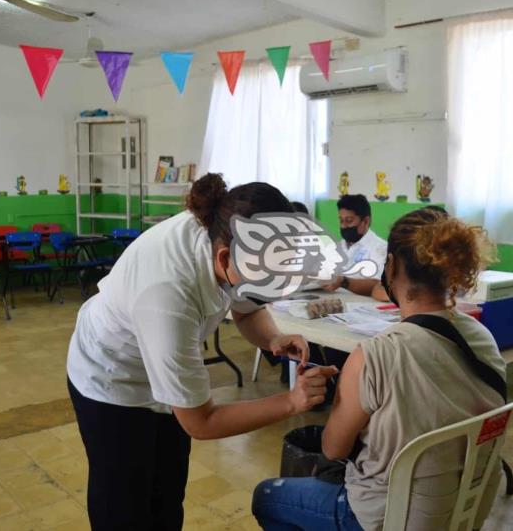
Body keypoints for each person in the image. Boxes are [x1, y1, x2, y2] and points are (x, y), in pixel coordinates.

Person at [67, 173, 337, 530]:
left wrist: (272, 338)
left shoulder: (225, 232)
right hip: (113, 377)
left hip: (165, 364)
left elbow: (247, 306)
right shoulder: (166, 293)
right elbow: (201, 422)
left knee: (166, 492)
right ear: (225, 256)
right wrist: (291, 402)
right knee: (123, 504)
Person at [252, 208, 505, 531]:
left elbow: (332, 448)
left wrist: (341, 392)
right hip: (465, 507)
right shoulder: (482, 338)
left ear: (392, 266)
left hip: (389, 517)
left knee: (267, 497)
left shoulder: (376, 354)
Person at [323, 194, 386, 295]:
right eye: (341, 220)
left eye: (349, 220)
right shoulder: (336, 247)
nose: (343, 226)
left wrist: (344, 282)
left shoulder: (381, 248)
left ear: (365, 221)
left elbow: (378, 285)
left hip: (363, 306)